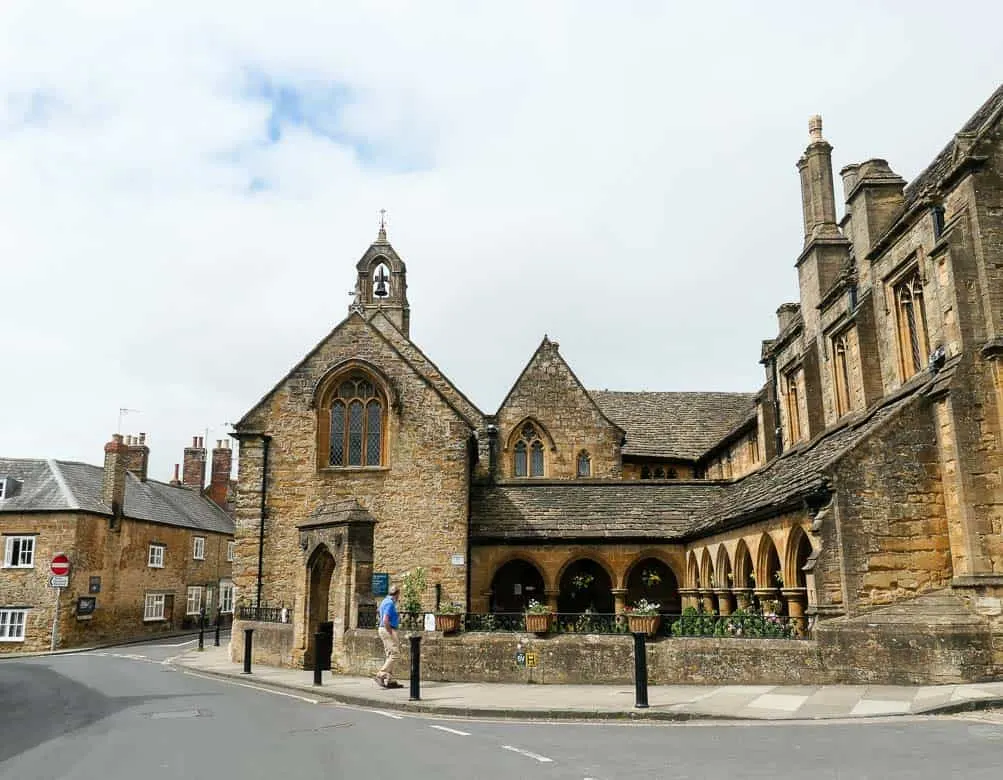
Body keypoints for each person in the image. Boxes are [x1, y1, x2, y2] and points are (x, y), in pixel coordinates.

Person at [375, 584, 403, 689]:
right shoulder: (390, 603)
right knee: (395, 654)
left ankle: (390, 680)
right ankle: (381, 674)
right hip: (387, 629)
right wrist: (391, 632)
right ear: (397, 594)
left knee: (390, 654)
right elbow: (385, 619)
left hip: (384, 629)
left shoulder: (384, 601)